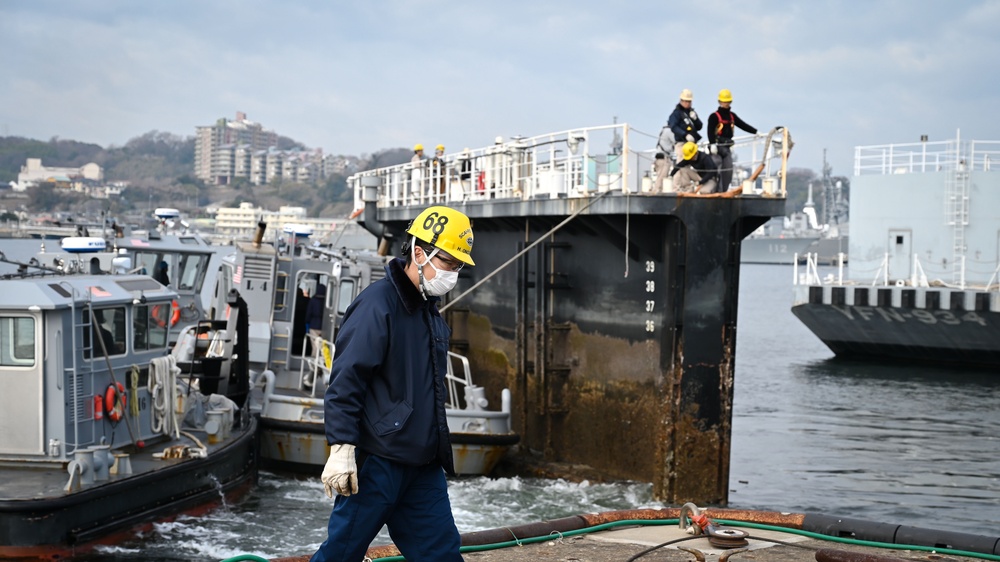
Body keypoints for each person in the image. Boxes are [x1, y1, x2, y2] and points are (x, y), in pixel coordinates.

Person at [311, 205, 474, 562]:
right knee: (341, 553)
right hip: (378, 463)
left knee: (443, 555)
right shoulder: (377, 305)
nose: (453, 272)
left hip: (422, 465)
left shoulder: (426, 309)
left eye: (459, 264)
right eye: (448, 261)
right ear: (419, 252)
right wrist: (341, 449)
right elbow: (346, 379)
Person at [707, 89, 757, 191]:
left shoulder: (732, 116)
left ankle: (724, 192)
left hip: (726, 148)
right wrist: (712, 144)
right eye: (724, 101)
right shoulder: (714, 116)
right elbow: (710, 131)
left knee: (728, 170)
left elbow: (743, 125)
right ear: (720, 102)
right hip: (716, 147)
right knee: (716, 168)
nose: (726, 104)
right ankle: (714, 191)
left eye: (728, 101)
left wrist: (755, 132)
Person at [665, 89, 703, 163]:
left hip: (692, 145)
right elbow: (673, 127)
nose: (687, 103)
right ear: (681, 101)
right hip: (682, 143)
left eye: (689, 101)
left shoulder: (691, 113)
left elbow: (699, 127)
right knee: (682, 165)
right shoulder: (676, 113)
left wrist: (696, 119)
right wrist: (685, 135)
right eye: (685, 101)